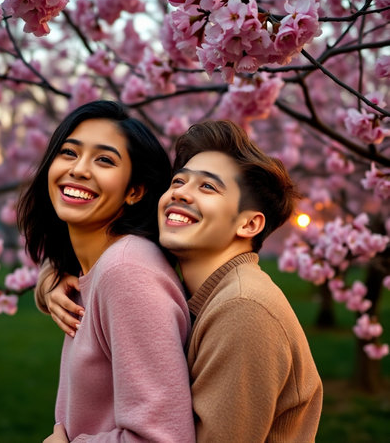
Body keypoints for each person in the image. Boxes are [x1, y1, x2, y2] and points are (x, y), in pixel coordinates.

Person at [36, 119, 323, 442]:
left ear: (249, 224)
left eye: (207, 187)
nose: (181, 194)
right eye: (178, 182)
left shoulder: (244, 309)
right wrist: (55, 273)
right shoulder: (206, 290)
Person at [17, 100, 195, 442]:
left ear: (134, 191)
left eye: (104, 160)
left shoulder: (126, 272)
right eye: (69, 153)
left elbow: (162, 437)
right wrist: (49, 278)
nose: (79, 170)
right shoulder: (102, 265)